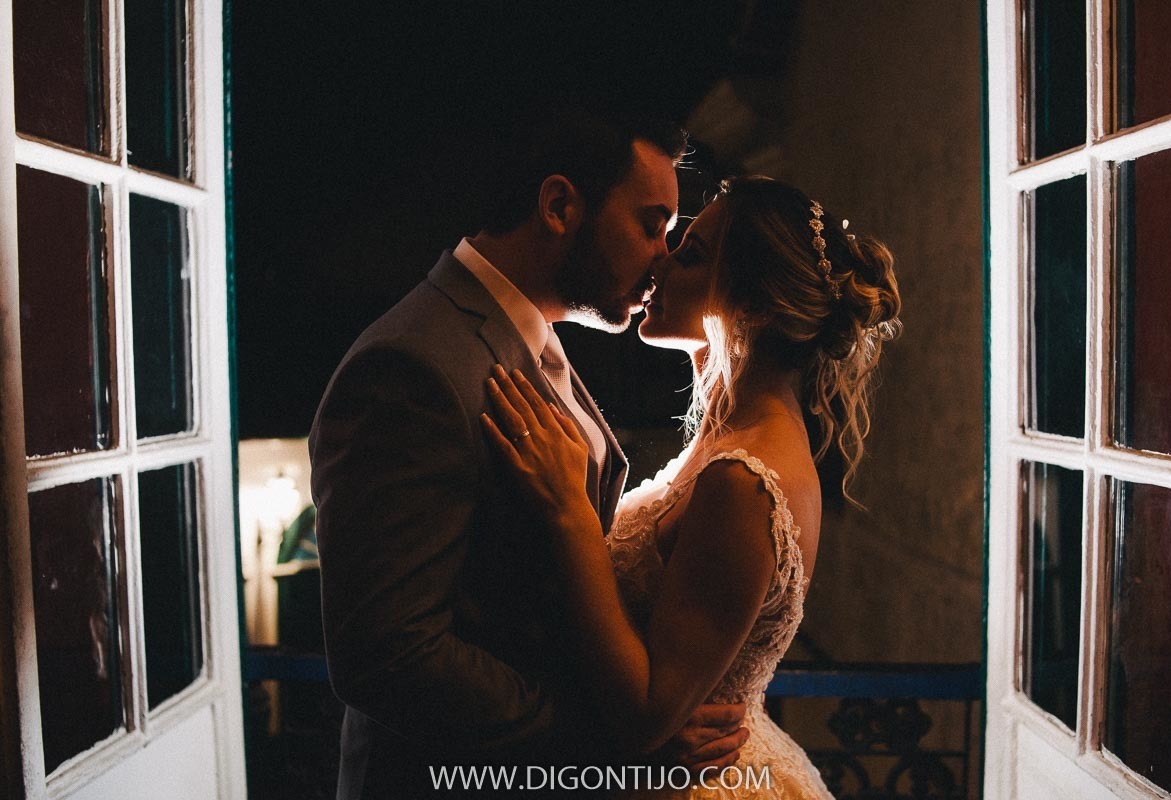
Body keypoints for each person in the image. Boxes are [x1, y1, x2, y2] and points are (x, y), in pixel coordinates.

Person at [308, 107, 750, 800]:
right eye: (650, 224)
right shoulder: (412, 366)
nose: (663, 254)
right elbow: (388, 656)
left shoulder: (525, 335)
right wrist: (608, 738)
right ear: (559, 206)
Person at [482, 175, 902, 799]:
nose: (660, 262)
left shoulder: (744, 480)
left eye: (692, 255)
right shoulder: (732, 434)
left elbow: (647, 714)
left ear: (755, 307)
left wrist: (570, 509)